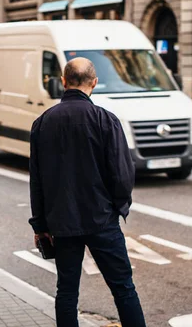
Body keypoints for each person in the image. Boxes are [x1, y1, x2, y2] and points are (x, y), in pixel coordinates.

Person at [29, 57, 145, 327]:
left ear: (63, 82)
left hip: (62, 223)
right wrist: (116, 207)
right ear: (94, 83)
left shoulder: (42, 123)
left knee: (67, 291)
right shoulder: (105, 120)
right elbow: (123, 174)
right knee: (124, 289)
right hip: (101, 219)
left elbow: (37, 181)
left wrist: (41, 225)